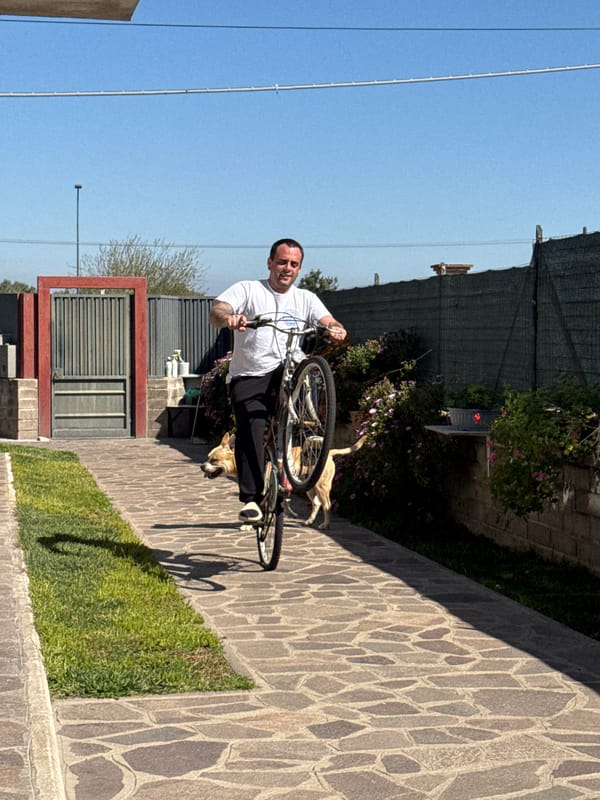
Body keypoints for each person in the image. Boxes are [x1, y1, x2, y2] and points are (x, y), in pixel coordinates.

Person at [209, 237, 347, 523]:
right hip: (250, 375)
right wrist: (231, 318)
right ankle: (251, 500)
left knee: (298, 379)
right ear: (270, 262)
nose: (287, 268)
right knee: (250, 428)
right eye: (282, 262)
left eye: (294, 264)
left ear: (299, 269)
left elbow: (327, 320)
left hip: (286, 372)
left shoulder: (305, 298)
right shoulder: (248, 289)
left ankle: (289, 455)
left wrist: (335, 328)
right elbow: (216, 310)